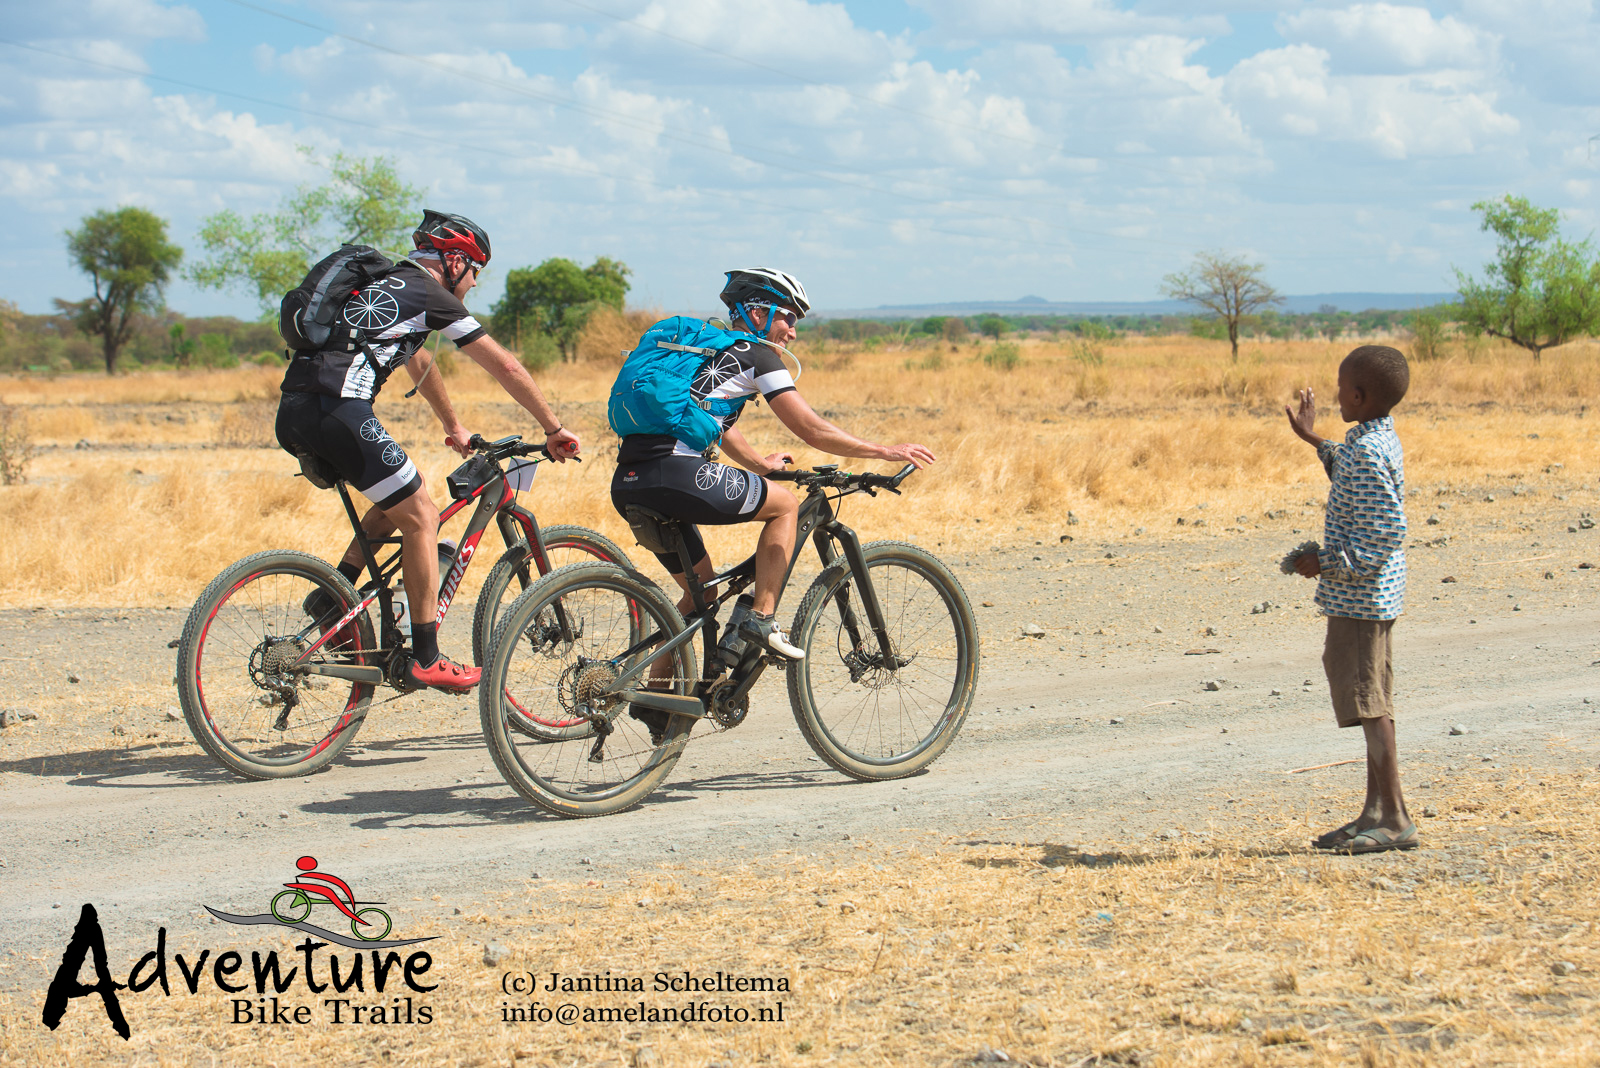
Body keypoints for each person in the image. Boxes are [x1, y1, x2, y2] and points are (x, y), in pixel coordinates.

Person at [610, 267, 936, 740]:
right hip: (678, 473)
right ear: (757, 311)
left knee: (700, 592)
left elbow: (714, 420)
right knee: (784, 505)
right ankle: (762, 620)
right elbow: (809, 427)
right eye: (788, 317)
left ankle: (657, 700)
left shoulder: (705, 349)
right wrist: (882, 451)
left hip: (631, 481)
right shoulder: (758, 354)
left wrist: (758, 465)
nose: (793, 330)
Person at [276, 209, 581, 693]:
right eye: (476, 269)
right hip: (339, 411)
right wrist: (553, 427)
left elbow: (416, 356)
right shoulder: (428, 293)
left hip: (294, 411)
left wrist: (453, 424)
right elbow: (504, 365)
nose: (476, 282)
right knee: (423, 517)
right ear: (455, 261)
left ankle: (331, 600)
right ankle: (427, 658)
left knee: (393, 506)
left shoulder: (388, 285)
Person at [1285, 344, 1414, 854]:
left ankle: (1396, 816)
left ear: (1358, 395)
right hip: (1370, 597)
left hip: (1361, 599)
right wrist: (1313, 438)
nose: (1337, 393)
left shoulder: (1366, 450)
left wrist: (1329, 561)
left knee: (1369, 702)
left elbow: (1386, 530)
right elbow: (1352, 477)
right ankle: (1375, 811)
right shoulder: (1373, 439)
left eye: (1341, 388)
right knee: (1371, 700)